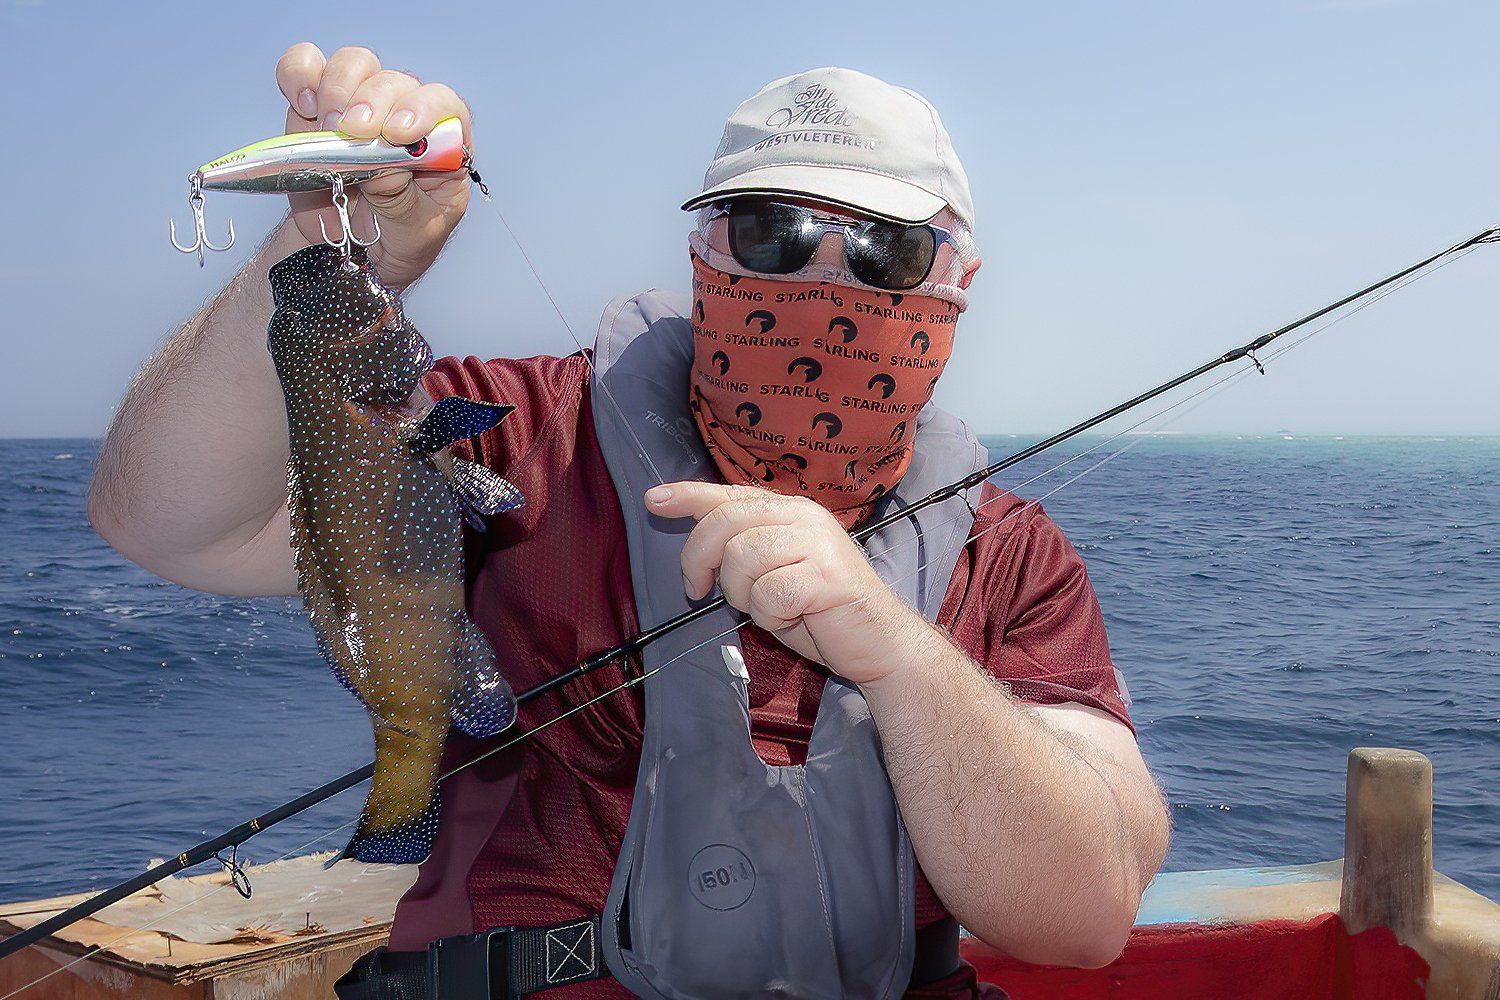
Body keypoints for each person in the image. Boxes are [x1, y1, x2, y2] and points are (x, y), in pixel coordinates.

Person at [89, 44, 1169, 999]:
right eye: (773, 231)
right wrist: (324, 246)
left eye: (887, 251)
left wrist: (899, 654)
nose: (825, 276)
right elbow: (164, 524)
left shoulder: (1013, 555)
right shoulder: (512, 430)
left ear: (959, 281)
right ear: (704, 253)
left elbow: (1082, 918)